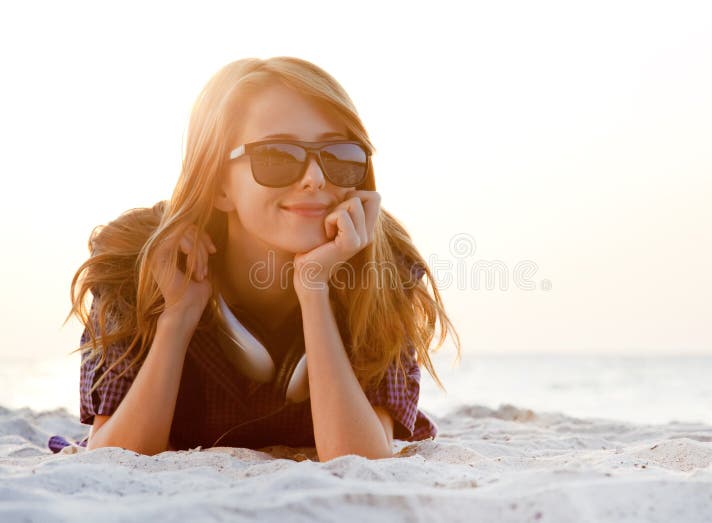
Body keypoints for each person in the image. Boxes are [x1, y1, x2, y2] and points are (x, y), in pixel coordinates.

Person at [48, 56, 461, 461]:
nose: (316, 178)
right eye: (278, 156)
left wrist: (313, 290)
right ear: (218, 187)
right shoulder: (135, 261)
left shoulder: (385, 265)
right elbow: (115, 456)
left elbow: (359, 460)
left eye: (339, 156)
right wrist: (177, 319)